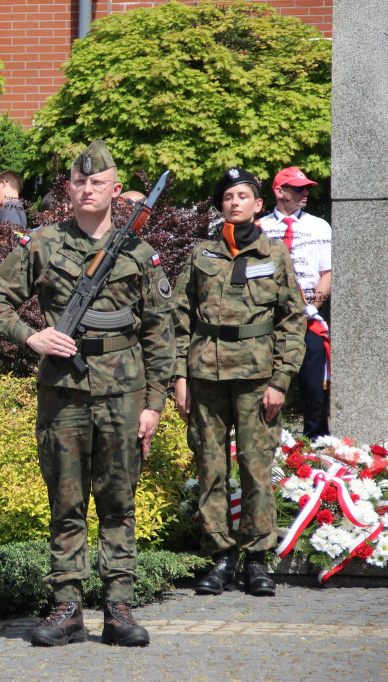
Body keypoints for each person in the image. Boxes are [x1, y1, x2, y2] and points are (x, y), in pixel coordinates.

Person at [0, 140, 175, 648]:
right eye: (79, 182)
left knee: (118, 501)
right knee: (66, 501)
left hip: (123, 394)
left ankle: (119, 608)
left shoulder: (138, 253)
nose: (88, 189)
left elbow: (160, 334)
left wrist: (154, 404)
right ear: (68, 188)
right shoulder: (44, 243)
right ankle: (66, 606)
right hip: (63, 392)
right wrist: (33, 336)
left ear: (115, 189)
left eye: (98, 182)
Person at [173, 168, 305, 598]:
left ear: (258, 204)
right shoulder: (201, 255)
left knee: (255, 468)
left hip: (257, 378)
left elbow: (292, 321)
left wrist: (281, 380)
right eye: (228, 196)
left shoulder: (276, 255)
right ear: (220, 206)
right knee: (211, 469)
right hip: (206, 377)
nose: (235, 202)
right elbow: (178, 318)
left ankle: (256, 559)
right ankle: (219, 558)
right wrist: (179, 375)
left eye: (243, 195)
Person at [258, 166, 331, 438]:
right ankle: (268, 446)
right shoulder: (259, 228)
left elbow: (327, 273)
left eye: (307, 188)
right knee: (266, 387)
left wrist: (311, 308)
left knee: (314, 389)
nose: (306, 193)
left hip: (307, 318)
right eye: (299, 188)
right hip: (268, 321)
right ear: (279, 191)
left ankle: (317, 447)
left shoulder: (319, 226)